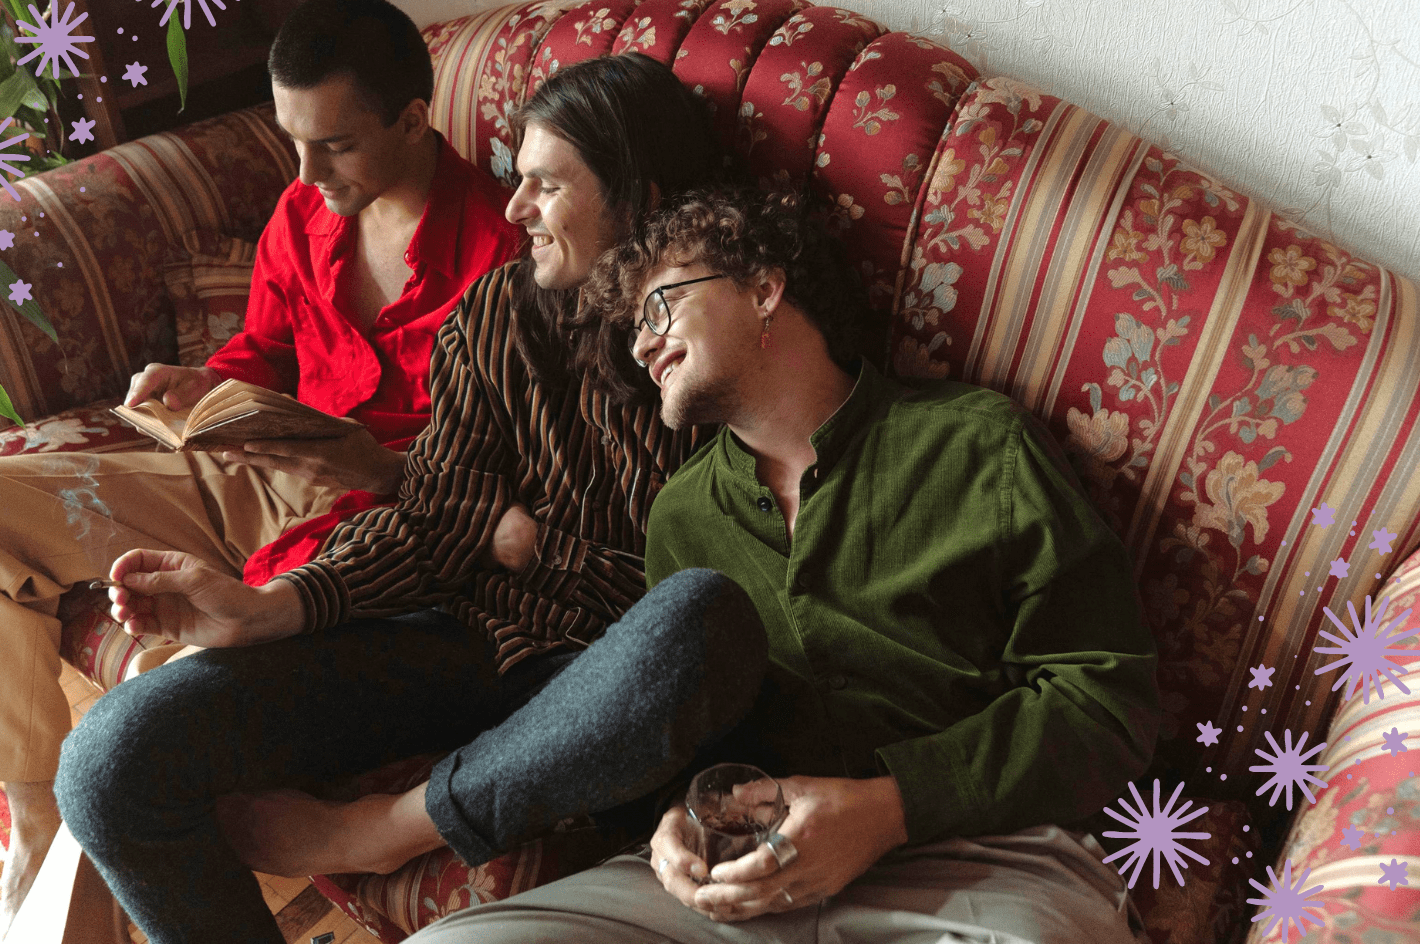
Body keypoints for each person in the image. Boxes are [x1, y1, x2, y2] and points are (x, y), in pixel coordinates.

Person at [53, 53, 764, 944]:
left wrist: (538, 544)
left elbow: (719, 588)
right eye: (518, 180)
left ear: (641, 195)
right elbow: (434, 514)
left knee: (698, 621)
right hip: (460, 635)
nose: (515, 209)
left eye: (546, 185)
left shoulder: (725, 343)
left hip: (606, 678)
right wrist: (270, 608)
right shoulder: (497, 317)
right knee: (108, 764)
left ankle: (381, 831)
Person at [0, 0, 523, 943]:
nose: (304, 171)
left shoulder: (502, 257)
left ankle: (68, 907)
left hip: (367, 521)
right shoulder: (305, 212)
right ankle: (34, 820)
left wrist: (364, 458)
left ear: (412, 118)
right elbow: (260, 355)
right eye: (292, 140)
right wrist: (197, 386)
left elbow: (490, 478)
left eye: (335, 145)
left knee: (151, 722)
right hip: (237, 465)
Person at [405, 186, 1164, 943]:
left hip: (979, 859)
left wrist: (888, 807)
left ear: (765, 288)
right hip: (740, 876)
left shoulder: (980, 446)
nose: (640, 346)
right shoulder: (681, 514)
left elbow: (1105, 703)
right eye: (633, 328)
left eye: (660, 307)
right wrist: (675, 822)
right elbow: (689, 733)